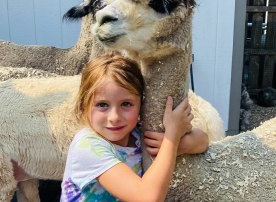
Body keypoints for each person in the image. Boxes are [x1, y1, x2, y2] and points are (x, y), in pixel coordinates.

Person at [60, 52, 208, 201]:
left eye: (126, 104)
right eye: (102, 105)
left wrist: (178, 144)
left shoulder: (137, 134)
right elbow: (147, 198)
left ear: (141, 105)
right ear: (83, 106)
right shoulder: (88, 147)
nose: (114, 117)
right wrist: (172, 137)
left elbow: (203, 140)